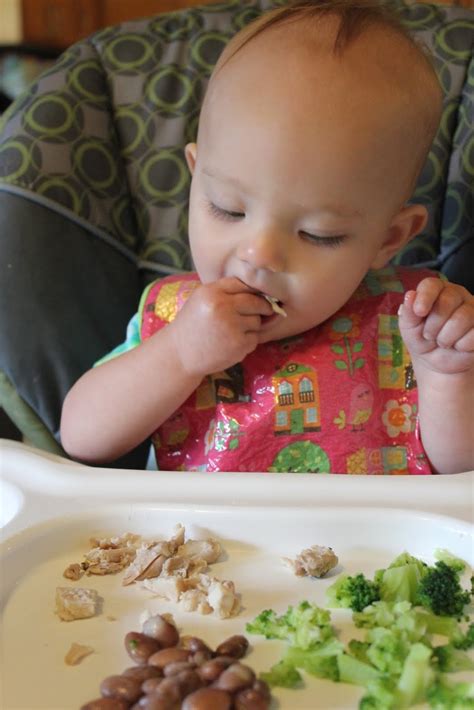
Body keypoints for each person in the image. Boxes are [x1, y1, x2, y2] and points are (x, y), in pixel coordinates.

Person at [60, 0, 474, 475]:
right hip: (204, 546)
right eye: (228, 209)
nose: (259, 254)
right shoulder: (175, 321)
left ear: (389, 237)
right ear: (196, 178)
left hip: (369, 548)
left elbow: (463, 477)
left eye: (317, 234)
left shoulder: (419, 327)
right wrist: (178, 354)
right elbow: (81, 439)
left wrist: (447, 376)